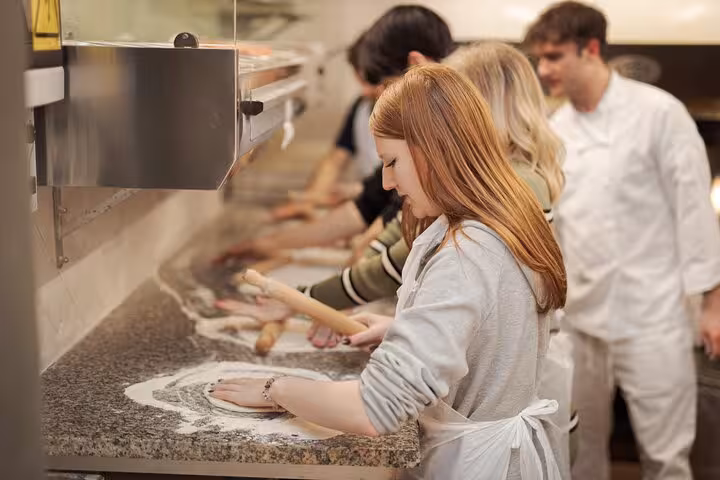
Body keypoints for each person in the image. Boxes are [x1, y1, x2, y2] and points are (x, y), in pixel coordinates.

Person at [210, 63, 568, 480]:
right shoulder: (504, 214)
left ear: (434, 150)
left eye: (393, 161)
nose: (386, 182)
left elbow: (373, 409)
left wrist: (278, 390)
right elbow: (495, 325)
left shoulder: (466, 252)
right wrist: (405, 327)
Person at [524, 3, 720, 479]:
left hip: (656, 315)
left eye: (553, 57)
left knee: (666, 454)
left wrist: (713, 304)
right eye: (539, 59)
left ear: (591, 49)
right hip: (582, 318)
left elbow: (695, 211)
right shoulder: (557, 131)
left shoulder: (659, 114)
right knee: (580, 450)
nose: (543, 70)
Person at [216, 5, 455, 264]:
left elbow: (382, 238)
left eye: (379, 84)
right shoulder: (423, 122)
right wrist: (271, 244)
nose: (372, 94)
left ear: (415, 64)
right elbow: (370, 203)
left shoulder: (446, 137)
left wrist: (366, 252)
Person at [270, 33, 382, 222]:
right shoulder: (360, 107)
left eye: (370, 81)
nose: (365, 90)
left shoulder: (415, 115)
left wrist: (358, 190)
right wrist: (309, 200)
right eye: (360, 81)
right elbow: (335, 160)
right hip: (369, 210)